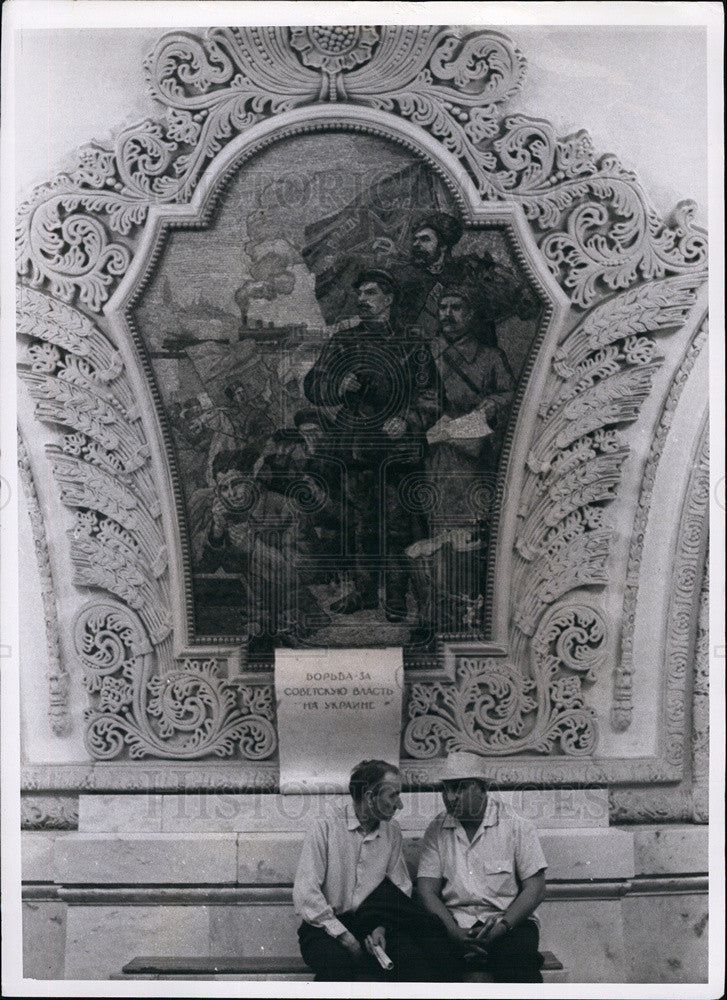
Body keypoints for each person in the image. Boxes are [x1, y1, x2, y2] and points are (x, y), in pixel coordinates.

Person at [303, 268, 441, 621]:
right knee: (361, 525)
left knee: (396, 526)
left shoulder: (413, 342)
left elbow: (431, 397)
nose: (362, 300)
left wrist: (408, 420)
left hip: (398, 452)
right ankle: (364, 594)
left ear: (389, 298)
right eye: (360, 294)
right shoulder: (344, 341)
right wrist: (337, 382)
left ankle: (395, 598)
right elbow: (313, 384)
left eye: (370, 293)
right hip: (357, 449)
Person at [293, 759, 458, 982]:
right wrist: (347, 939)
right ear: (370, 797)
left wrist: (381, 928)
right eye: (393, 796)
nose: (399, 805)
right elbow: (306, 895)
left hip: (373, 926)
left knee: (415, 964)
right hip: (324, 927)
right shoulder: (325, 826)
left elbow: (400, 888)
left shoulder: (392, 831)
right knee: (337, 968)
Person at [417, 751, 548, 983]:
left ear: (482, 788)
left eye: (459, 788)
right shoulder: (437, 829)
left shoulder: (516, 825)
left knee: (519, 963)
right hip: (453, 923)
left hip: (509, 923)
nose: (450, 796)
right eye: (445, 789)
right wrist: (454, 932)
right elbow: (426, 890)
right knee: (426, 960)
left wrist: (502, 927)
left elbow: (535, 888)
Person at [397, 211, 539, 338]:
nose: (416, 244)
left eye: (424, 239)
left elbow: (520, 298)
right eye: (415, 239)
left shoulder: (472, 269)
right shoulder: (407, 278)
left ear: (443, 245)